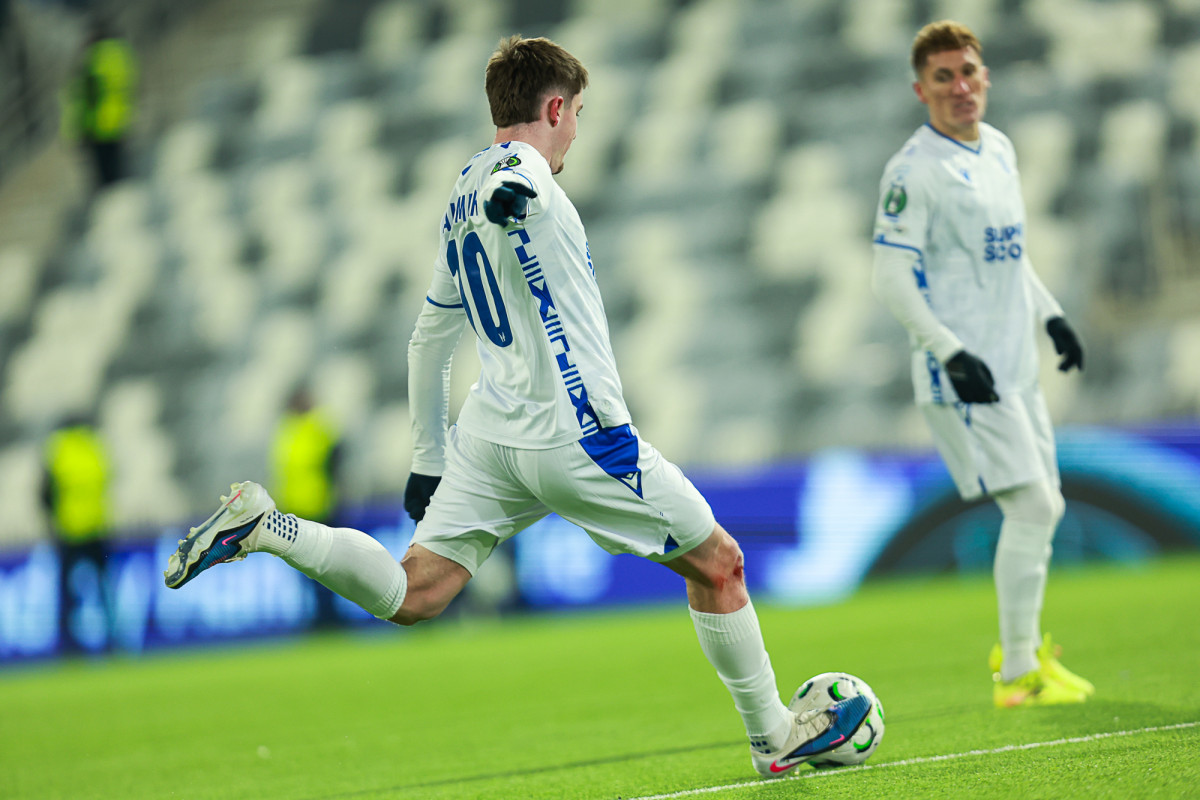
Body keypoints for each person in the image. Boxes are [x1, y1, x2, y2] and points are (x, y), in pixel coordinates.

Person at [165, 35, 869, 776]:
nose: (576, 132)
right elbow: (522, 171)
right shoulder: (518, 175)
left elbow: (428, 341)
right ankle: (772, 736)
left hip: (490, 436)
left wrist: (429, 459)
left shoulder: (461, 191)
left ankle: (268, 527)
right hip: (576, 434)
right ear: (555, 107)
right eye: (577, 113)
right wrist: (520, 190)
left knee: (414, 592)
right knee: (719, 565)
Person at [871, 20, 1095, 708]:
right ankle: (1017, 670)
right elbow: (891, 276)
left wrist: (1050, 315)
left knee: (1044, 508)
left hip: (1015, 364)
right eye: (943, 77)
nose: (959, 86)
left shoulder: (998, 147)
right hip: (966, 372)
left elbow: (1009, 255)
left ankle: (1023, 655)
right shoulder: (914, 171)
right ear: (921, 90)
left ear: (984, 76)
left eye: (967, 71)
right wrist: (948, 350)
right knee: (1035, 505)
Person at [270, 387, 343, 627]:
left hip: (319, 506)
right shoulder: (288, 429)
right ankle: (319, 615)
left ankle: (330, 615)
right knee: (306, 570)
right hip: (295, 511)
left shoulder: (318, 426)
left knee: (325, 566)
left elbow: (336, 459)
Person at [43, 418, 113, 654]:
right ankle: (112, 641)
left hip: (68, 530)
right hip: (97, 528)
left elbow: (45, 493)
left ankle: (67, 645)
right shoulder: (95, 446)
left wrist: (53, 522)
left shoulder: (58, 449)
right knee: (104, 588)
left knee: (67, 593)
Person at [60, 18, 137, 190]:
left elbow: (89, 92)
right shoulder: (122, 52)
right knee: (118, 165)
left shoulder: (94, 56)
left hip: (98, 122)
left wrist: (78, 127)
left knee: (105, 172)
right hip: (120, 116)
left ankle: (112, 195)